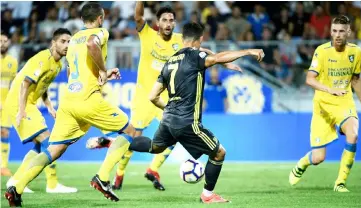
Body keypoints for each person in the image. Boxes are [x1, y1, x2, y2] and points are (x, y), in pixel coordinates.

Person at [86, 2, 241, 191]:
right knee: (133, 135)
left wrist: (223, 64)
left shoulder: (180, 40)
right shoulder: (147, 34)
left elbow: (203, 52)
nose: (168, 23)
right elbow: (138, 17)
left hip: (166, 100)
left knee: (173, 137)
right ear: (157, 22)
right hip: (144, 97)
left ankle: (153, 169)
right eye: (164, 20)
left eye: (171, 20)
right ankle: (119, 174)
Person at [5, 3, 136, 206]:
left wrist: (100, 75)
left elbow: (70, 72)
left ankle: (17, 187)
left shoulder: (73, 39)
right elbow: (93, 44)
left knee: (53, 150)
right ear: (100, 18)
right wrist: (103, 70)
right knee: (130, 131)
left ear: (82, 19)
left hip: (69, 100)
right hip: (88, 99)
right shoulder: (101, 31)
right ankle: (102, 177)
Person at [127, 22, 264, 203]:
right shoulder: (195, 56)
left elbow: (152, 96)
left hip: (168, 120)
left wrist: (168, 108)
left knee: (155, 147)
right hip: (187, 122)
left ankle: (119, 141)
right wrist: (247, 52)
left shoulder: (170, 62)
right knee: (219, 153)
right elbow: (215, 58)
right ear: (200, 39)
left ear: (183, 39)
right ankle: (207, 195)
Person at [289, 15, 361, 192]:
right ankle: (302, 163)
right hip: (322, 105)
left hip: (344, 102)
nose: (337, 35)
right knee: (319, 157)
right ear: (330, 31)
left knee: (353, 134)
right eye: (334, 31)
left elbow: (356, 80)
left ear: (348, 32)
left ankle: (340, 182)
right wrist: (329, 90)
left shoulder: (356, 52)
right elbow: (309, 79)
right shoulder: (322, 51)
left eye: (341, 31)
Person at [4, 28, 77, 195]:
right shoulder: (43, 59)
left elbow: (42, 86)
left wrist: (49, 106)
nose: (67, 45)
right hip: (19, 103)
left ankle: (15, 180)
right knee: (49, 142)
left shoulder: (58, 64)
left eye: (69, 42)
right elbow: (25, 83)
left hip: (30, 104)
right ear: (54, 43)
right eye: (63, 41)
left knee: (40, 145)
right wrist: (21, 111)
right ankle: (52, 184)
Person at [0, 32, 18, 176]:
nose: (3, 43)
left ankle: (3, 166)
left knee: (5, 133)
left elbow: (14, 84)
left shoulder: (13, 61)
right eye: (0, 41)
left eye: (5, 41)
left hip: (6, 105)